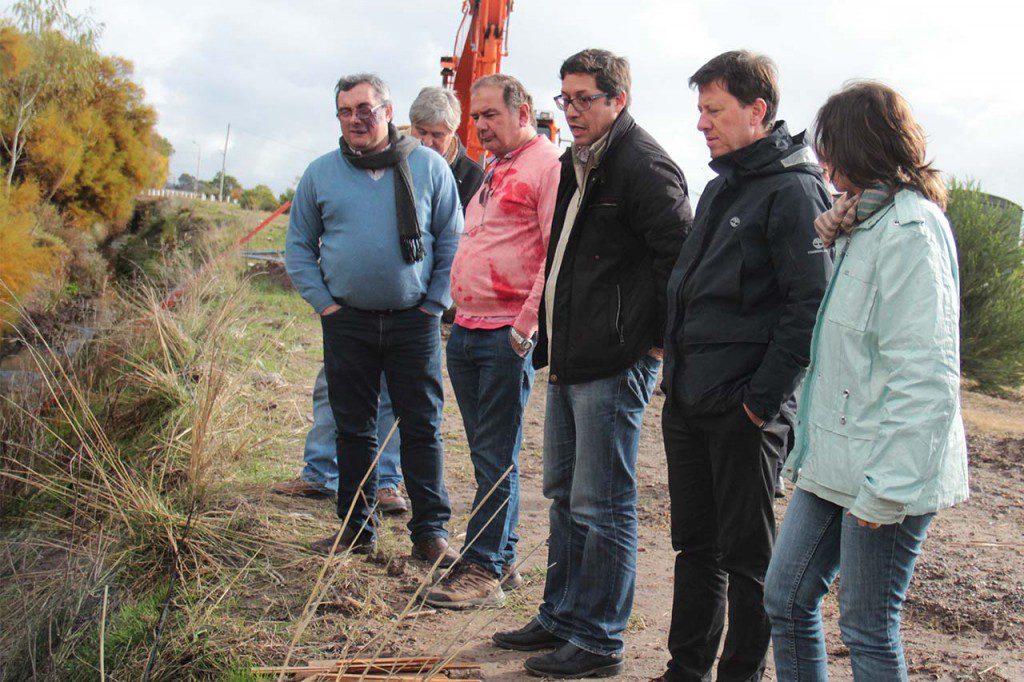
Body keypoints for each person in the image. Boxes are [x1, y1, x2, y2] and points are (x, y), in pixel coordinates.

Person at [492, 49, 692, 679]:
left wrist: (652, 345)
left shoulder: (643, 165)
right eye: (566, 99)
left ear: (618, 100)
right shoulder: (578, 160)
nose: (572, 111)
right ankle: (561, 617)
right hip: (572, 356)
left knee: (602, 505)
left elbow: (680, 262)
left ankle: (599, 641)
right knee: (563, 496)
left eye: (585, 99)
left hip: (615, 362)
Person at [764, 81, 969, 681]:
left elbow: (926, 374)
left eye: (832, 152)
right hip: (840, 456)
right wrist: (838, 233)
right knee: (785, 597)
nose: (825, 167)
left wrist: (889, 489)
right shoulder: (863, 222)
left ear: (862, 147)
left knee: (867, 627)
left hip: (886, 466)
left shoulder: (911, 232)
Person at [656, 50, 832, 681]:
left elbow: (810, 307)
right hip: (689, 401)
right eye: (700, 109)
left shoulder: (795, 191)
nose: (701, 122)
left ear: (758, 110)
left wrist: (760, 403)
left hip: (744, 413)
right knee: (694, 547)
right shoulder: (720, 186)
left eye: (714, 109)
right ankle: (686, 670)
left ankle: (740, 674)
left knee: (748, 558)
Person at [275, 86, 483, 515]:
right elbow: (298, 246)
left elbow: (453, 240)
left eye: (365, 109)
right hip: (348, 319)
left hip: (414, 318)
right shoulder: (325, 172)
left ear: (386, 112)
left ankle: (412, 511)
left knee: (417, 421)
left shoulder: (441, 170)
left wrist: (434, 305)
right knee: (347, 418)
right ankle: (343, 507)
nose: (355, 119)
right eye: (345, 111)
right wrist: (326, 305)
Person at [422, 74, 561, 609]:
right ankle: (501, 555)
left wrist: (526, 324)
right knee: (486, 454)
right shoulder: (497, 166)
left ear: (522, 112)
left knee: (496, 454)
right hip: (467, 326)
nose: (479, 126)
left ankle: (483, 570)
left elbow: (552, 252)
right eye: (475, 116)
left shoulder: (546, 165)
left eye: (490, 115)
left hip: (505, 331)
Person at [408, 86, 485, 208]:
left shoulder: (472, 177)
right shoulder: (388, 158)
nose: (427, 142)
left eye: (437, 135)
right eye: (421, 132)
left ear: (453, 132)